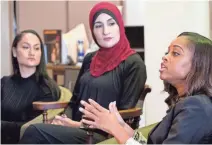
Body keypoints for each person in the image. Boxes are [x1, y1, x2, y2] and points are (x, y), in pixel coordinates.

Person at [19, 2, 147, 144]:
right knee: (32, 130)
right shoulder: (89, 59)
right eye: (98, 25)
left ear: (120, 26)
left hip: (102, 134)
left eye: (111, 23)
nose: (105, 31)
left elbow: (122, 117)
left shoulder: (134, 63)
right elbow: (75, 101)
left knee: (34, 132)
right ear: (92, 30)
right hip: (76, 129)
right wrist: (64, 120)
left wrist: (79, 125)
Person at [79, 32, 212, 144]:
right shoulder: (189, 103)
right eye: (167, 52)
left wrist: (115, 129)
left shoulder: (196, 107)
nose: (165, 57)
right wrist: (122, 126)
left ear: (198, 65)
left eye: (175, 53)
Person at [1, 29, 60, 144]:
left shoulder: (46, 88)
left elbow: (34, 129)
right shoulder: (4, 82)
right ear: (14, 51)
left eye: (37, 48)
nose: (32, 52)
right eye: (26, 47)